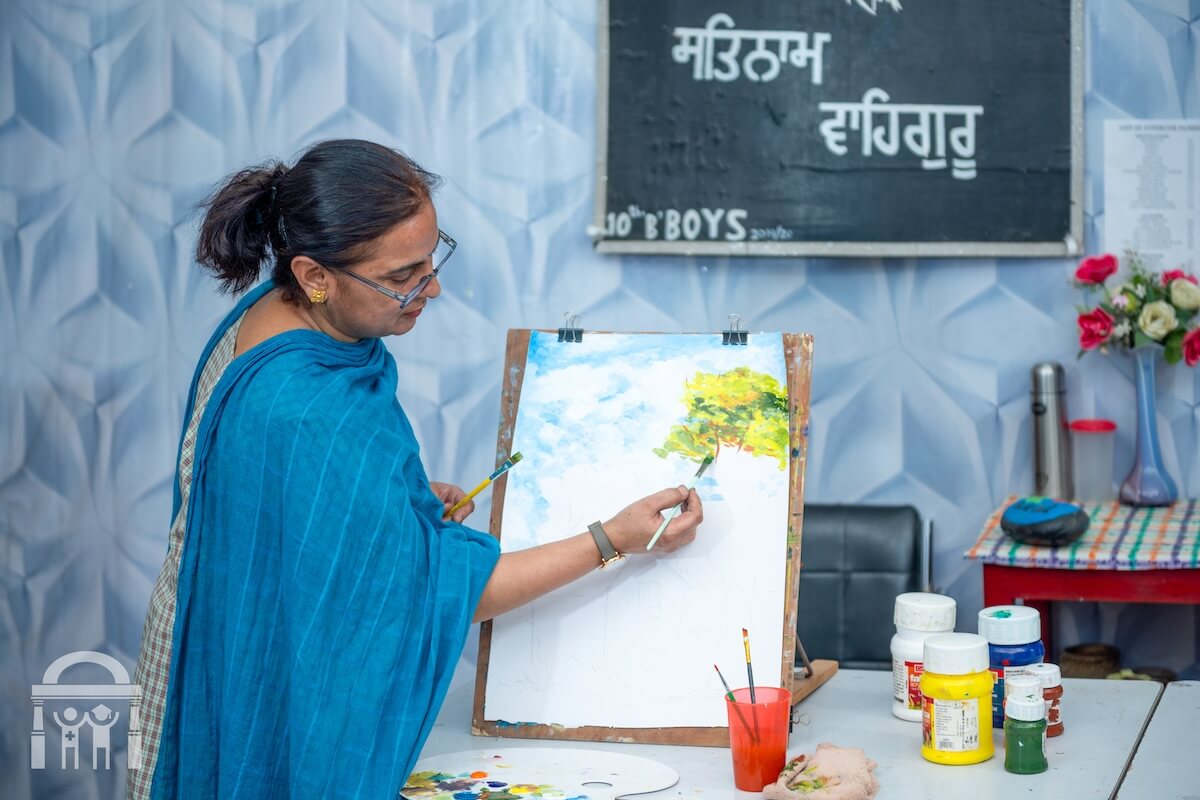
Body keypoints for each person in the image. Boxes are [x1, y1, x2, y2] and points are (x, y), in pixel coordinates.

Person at [129, 139, 703, 800]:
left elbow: (275, 499)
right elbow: (437, 590)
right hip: (237, 673)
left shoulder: (267, 316)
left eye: (433, 256)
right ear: (316, 274)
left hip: (203, 634)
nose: (431, 286)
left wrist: (385, 505)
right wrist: (612, 540)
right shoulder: (309, 405)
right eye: (403, 276)